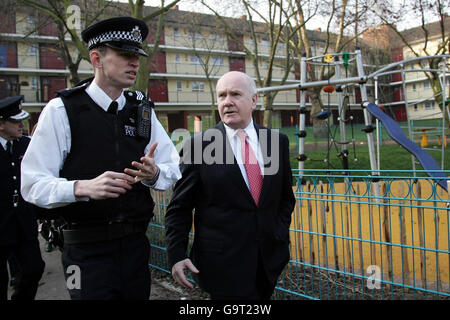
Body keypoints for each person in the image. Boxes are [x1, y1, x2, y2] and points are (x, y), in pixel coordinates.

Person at [21, 17, 181, 300]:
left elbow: (172, 168)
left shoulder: (142, 110)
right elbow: (31, 184)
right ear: (96, 58)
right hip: (84, 253)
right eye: (126, 55)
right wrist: (81, 188)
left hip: (134, 248)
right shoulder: (61, 111)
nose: (135, 63)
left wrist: (155, 174)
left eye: (138, 56)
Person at [165, 71, 296, 300]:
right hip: (221, 264)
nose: (227, 102)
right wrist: (176, 254)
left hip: (267, 261)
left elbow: (285, 198)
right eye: (222, 96)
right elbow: (179, 208)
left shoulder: (276, 142)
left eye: (235, 94)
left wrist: (278, 233)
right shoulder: (199, 146)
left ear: (254, 100)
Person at [0, 95, 45, 300]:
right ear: (1, 124)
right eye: (15, 121)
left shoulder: (26, 145)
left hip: (24, 222)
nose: (22, 125)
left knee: (34, 269)